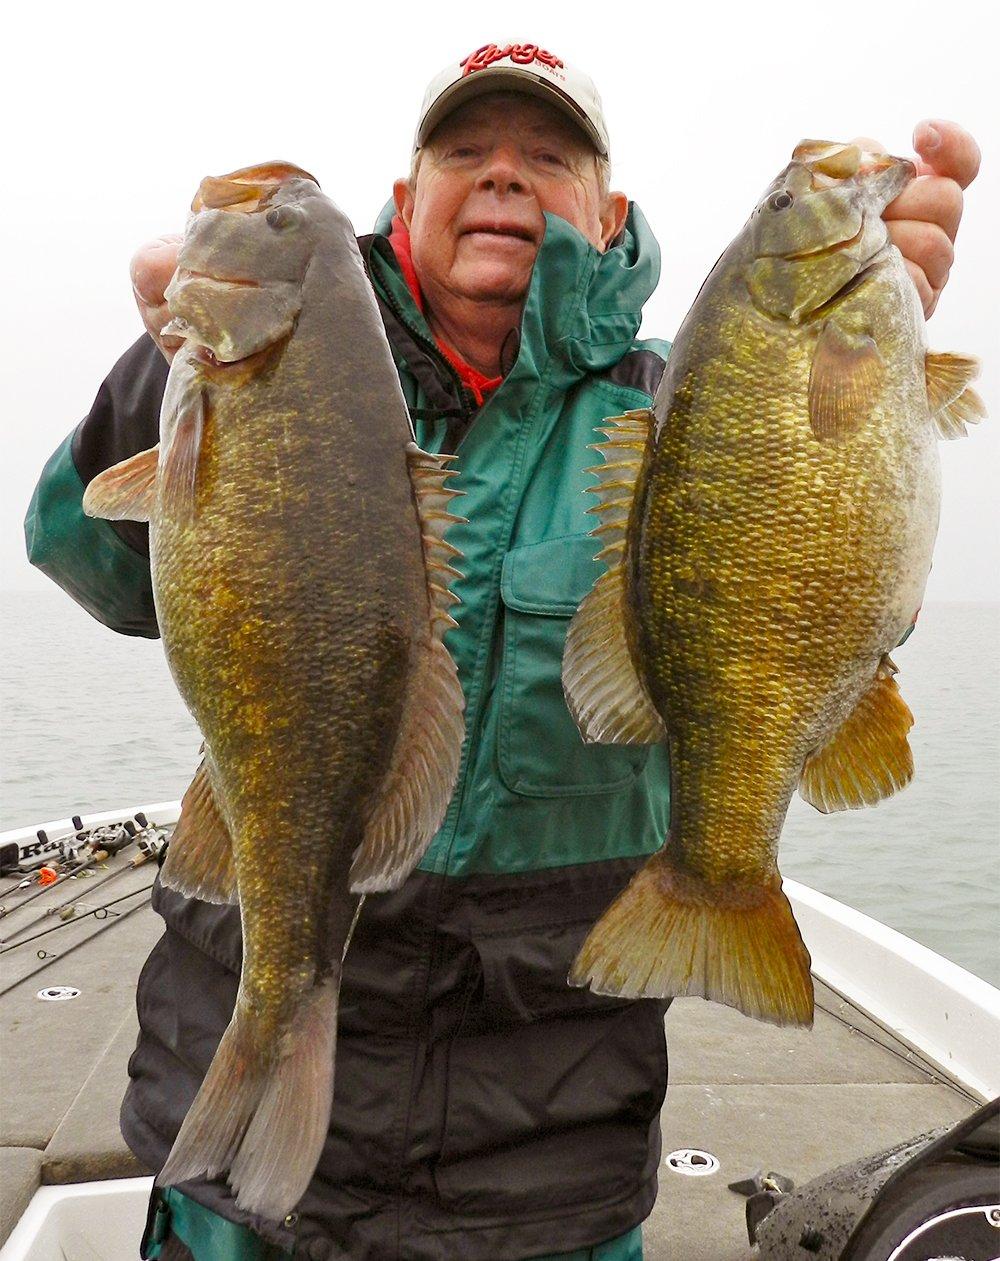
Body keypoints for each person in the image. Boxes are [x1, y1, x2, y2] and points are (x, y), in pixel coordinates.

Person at [24, 43, 981, 1261]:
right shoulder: (307, 374)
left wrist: (865, 395)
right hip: (234, 1125)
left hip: (548, 1158)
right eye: (465, 153)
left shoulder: (678, 406)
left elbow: (823, 601)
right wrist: (165, 375)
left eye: (547, 156)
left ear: (609, 211)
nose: (503, 178)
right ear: (406, 195)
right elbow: (94, 567)